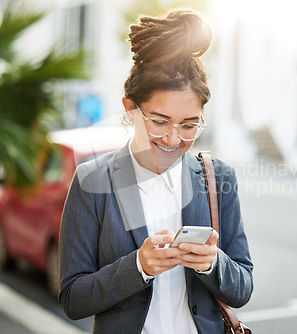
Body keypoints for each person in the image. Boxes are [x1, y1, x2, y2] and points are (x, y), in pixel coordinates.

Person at [58, 8, 253, 334]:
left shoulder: (217, 178)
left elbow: (243, 287)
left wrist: (212, 263)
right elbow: (73, 299)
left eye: (189, 125)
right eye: (159, 122)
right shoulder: (91, 181)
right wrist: (138, 266)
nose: (174, 139)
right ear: (130, 109)